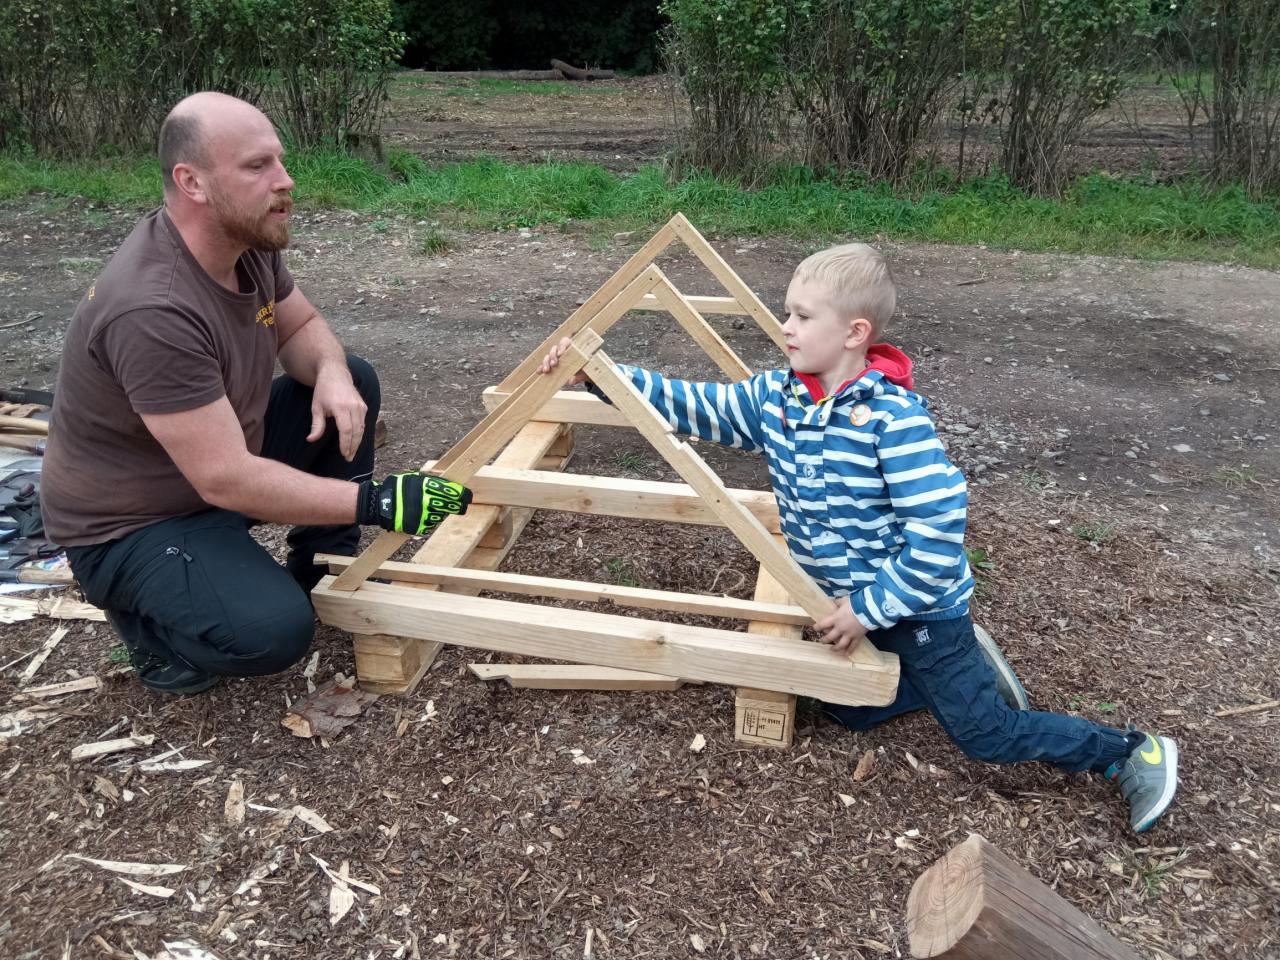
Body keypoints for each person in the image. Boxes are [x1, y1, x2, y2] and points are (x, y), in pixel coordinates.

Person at [537, 243, 1178, 834]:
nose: (785, 327)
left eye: (802, 316)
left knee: (984, 735)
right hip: (852, 602)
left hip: (919, 609)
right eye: (787, 312)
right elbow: (696, 406)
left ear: (854, 333)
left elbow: (937, 540)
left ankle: (1128, 752)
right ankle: (946, 678)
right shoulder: (778, 399)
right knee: (847, 709)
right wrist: (602, 377)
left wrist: (866, 612)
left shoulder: (894, 422)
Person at [41, 92, 470, 696]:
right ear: (192, 182)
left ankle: (321, 566)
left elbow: (300, 327)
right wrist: (375, 502)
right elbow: (225, 478)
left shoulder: (244, 245)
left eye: (280, 160)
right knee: (272, 633)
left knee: (353, 377)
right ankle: (149, 631)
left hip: (213, 467)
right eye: (257, 166)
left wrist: (333, 372)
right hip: (135, 523)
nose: (284, 180)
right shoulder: (152, 310)